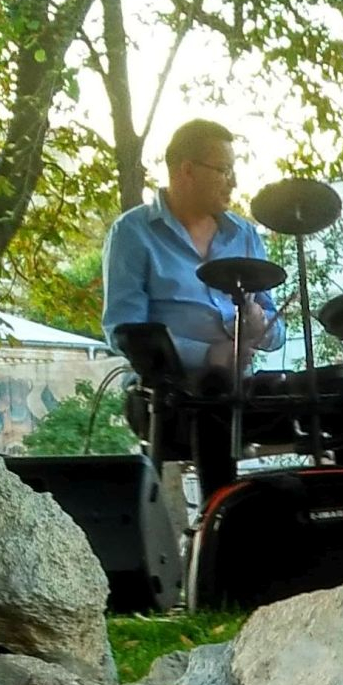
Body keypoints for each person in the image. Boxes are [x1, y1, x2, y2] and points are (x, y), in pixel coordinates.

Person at [101, 119, 285, 496]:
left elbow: (277, 336)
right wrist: (210, 355)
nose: (233, 182)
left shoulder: (245, 234)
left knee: (340, 392)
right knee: (213, 391)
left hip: (239, 389)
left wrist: (258, 322)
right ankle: (222, 525)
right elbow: (123, 332)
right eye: (224, 170)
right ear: (185, 170)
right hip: (164, 399)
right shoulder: (133, 234)